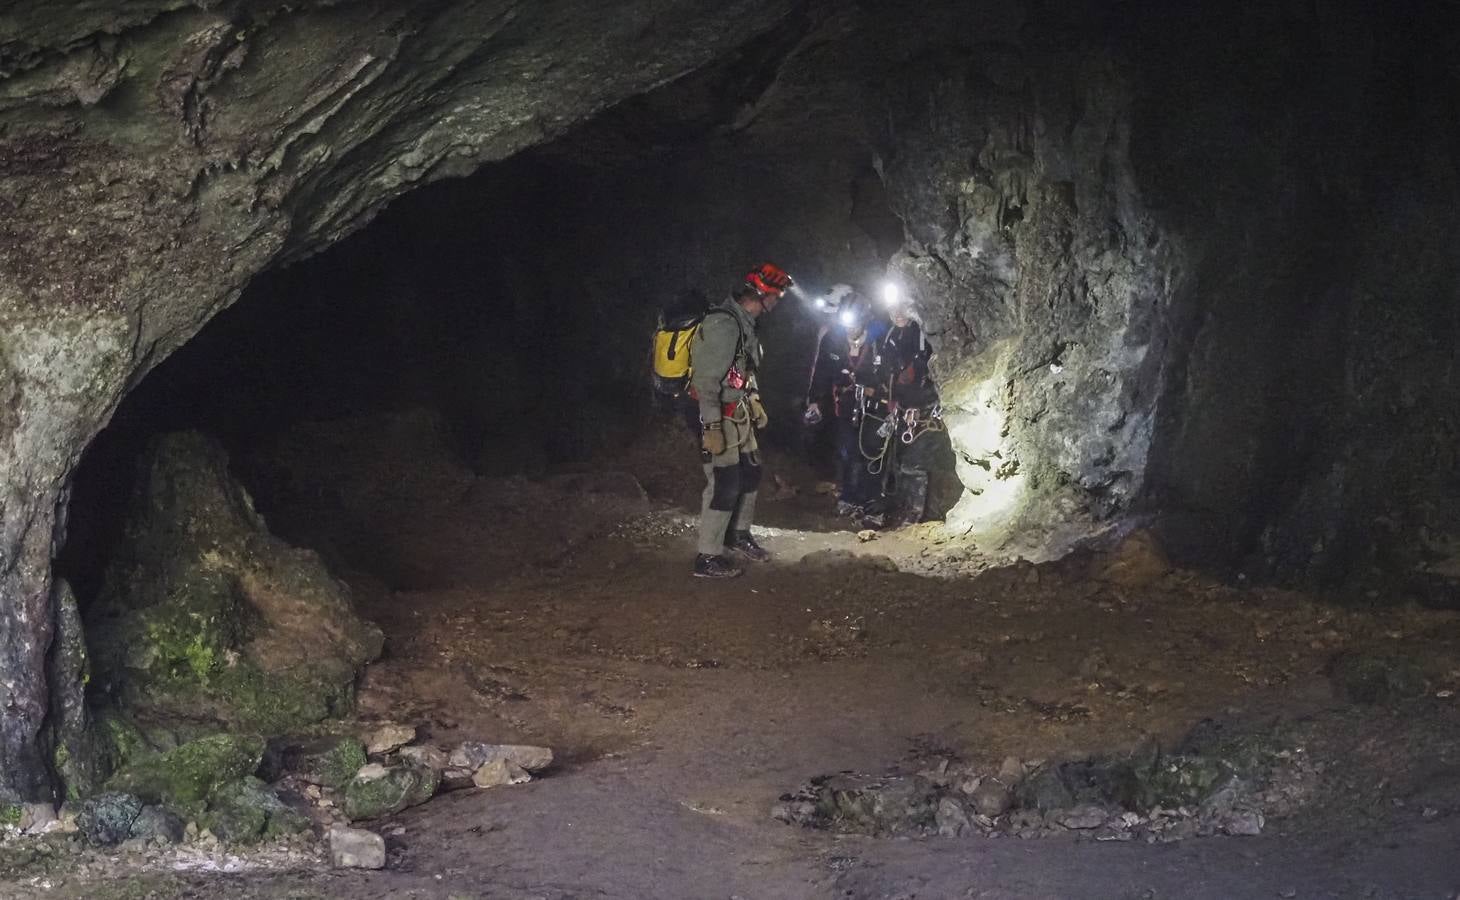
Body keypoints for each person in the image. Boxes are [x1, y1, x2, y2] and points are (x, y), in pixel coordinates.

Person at [690, 263, 792, 578]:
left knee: (751, 471)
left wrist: (755, 399)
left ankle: (738, 534)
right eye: (776, 295)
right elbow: (706, 381)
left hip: (739, 409)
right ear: (761, 294)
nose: (777, 302)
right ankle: (707, 556)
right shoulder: (724, 324)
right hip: (718, 412)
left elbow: (744, 370)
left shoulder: (746, 322)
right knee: (724, 482)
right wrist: (713, 427)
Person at [805, 294, 884, 517]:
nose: (851, 329)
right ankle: (849, 496)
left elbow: (890, 370)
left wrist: (880, 391)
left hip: (874, 405)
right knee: (848, 450)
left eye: (855, 324)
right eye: (847, 324)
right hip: (846, 403)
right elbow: (820, 372)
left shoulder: (879, 338)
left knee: (871, 450)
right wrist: (814, 400)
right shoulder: (833, 339)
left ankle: (871, 499)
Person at [877, 299, 942, 526]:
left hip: (925, 410)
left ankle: (915, 514)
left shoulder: (924, 334)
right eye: (893, 309)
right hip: (902, 408)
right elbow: (888, 372)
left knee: (915, 462)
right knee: (899, 460)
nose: (897, 313)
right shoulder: (891, 337)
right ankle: (903, 509)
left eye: (902, 308)